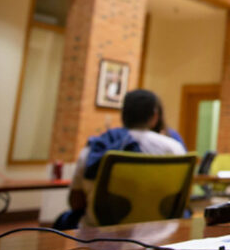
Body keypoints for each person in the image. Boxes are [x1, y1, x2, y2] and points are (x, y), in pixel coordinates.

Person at [55, 88, 185, 229]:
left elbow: (76, 202)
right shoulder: (174, 149)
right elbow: (180, 200)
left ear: (123, 114)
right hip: (159, 232)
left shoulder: (95, 147)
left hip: (99, 234)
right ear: (155, 116)